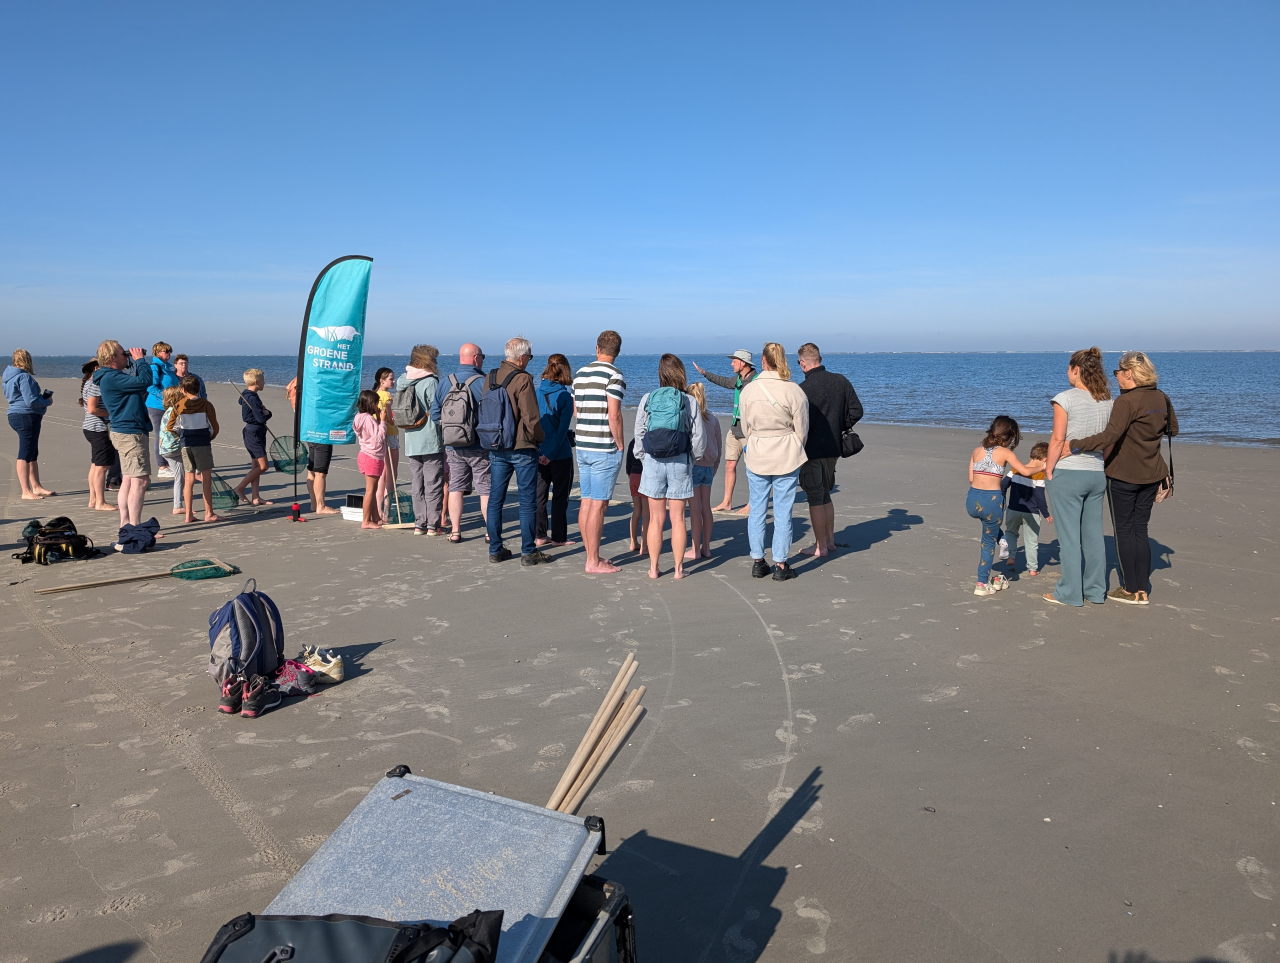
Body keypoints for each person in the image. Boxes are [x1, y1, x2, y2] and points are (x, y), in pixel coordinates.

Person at [1067, 350, 1179, 605]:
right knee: (1140, 529)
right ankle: (1142, 588)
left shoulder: (1126, 401)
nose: (1115, 377)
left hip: (1124, 474)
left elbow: (1109, 437)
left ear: (1129, 373)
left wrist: (1074, 443)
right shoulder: (1161, 397)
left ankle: (1131, 589)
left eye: (1118, 372)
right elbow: (1173, 429)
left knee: (1125, 531)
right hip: (1151, 473)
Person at [1043, 347, 1114, 606]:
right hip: (1096, 472)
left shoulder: (1065, 398)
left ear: (1076, 369)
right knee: (1093, 535)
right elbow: (1108, 441)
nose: (1067, 373)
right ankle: (1095, 591)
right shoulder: (1107, 399)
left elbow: (1058, 438)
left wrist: (1049, 468)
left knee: (1069, 537)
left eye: (1068, 368)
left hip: (1069, 472)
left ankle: (1070, 592)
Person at [739, 343, 809, 581]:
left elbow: (745, 426)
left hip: (758, 450)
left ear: (763, 361)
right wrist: (794, 445)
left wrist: (754, 442)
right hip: (785, 452)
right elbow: (802, 428)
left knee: (757, 509)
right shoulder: (793, 390)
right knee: (782, 511)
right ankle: (780, 562)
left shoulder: (749, 390)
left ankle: (758, 560)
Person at [634, 354, 706, 579]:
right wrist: (693, 458)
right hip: (680, 461)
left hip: (654, 461)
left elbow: (639, 432)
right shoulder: (689, 400)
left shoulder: (647, 398)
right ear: (681, 373)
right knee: (677, 519)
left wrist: (643, 456)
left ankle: (654, 568)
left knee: (656, 519)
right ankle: (678, 569)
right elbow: (698, 436)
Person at [484, 337, 548, 565]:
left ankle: (495, 548)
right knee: (527, 500)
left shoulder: (490, 377)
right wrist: (539, 439)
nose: (529, 361)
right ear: (521, 358)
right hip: (522, 446)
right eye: (529, 357)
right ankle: (528, 551)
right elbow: (531, 417)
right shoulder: (522, 379)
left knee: (495, 499)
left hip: (496, 443)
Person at [796, 342, 863, 557]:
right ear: (820, 360)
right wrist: (839, 425)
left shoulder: (803, 389)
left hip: (812, 449)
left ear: (803, 363)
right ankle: (829, 541)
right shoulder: (840, 381)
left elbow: (797, 421)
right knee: (825, 494)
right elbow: (856, 410)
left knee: (816, 496)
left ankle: (820, 545)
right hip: (833, 447)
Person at [967, 416, 1044, 597]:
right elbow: (1024, 471)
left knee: (988, 526)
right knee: (987, 543)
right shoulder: (1005, 453)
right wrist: (1041, 466)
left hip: (972, 500)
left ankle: (1001, 539)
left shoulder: (976, 450)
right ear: (1010, 437)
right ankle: (982, 583)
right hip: (991, 500)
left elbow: (971, 478)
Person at [573, 330, 626, 574]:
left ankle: (591, 554)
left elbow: (577, 411)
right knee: (598, 504)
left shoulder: (581, 373)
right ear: (617, 351)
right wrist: (620, 443)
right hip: (603, 446)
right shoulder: (614, 375)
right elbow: (613, 414)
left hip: (583, 444)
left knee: (587, 501)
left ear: (597, 348)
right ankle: (592, 561)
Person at [432, 343, 489, 542]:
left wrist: (451, 428)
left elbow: (434, 414)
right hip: (478, 444)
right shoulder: (482, 382)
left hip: (453, 444)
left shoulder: (445, 382)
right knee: (485, 488)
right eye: (482, 355)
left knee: (456, 486)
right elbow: (491, 413)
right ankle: (490, 531)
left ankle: (456, 530)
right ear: (475, 357)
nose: (483, 359)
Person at [92, 340, 153, 527]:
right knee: (140, 481)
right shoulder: (112, 378)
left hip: (125, 430)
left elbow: (139, 385)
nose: (126, 356)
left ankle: (126, 524)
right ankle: (134, 527)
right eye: (122, 354)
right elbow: (145, 381)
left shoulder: (113, 377)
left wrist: (134, 362)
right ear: (111, 358)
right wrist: (140, 360)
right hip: (130, 433)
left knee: (128, 479)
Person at [693, 348, 757, 514]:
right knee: (729, 465)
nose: (731, 363)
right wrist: (704, 373)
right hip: (734, 429)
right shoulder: (737, 379)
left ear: (743, 363)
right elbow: (723, 381)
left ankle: (752, 504)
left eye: (734, 361)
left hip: (749, 431)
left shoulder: (757, 381)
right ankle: (727, 502)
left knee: (752, 470)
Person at [397, 344, 445, 536]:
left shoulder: (403, 380)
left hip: (411, 437)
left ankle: (419, 523)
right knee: (433, 482)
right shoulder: (430, 381)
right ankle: (433, 524)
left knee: (417, 483)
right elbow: (436, 409)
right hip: (430, 437)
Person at [166, 374, 222, 524]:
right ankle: (209, 513)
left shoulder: (179, 405)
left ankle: (188, 514)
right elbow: (215, 426)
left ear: (183, 390)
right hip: (202, 442)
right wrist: (210, 436)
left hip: (186, 443)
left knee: (189, 479)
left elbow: (170, 426)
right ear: (198, 388)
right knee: (206, 479)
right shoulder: (206, 404)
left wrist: (180, 435)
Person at [535, 353, 575, 547]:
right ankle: (558, 536)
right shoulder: (564, 396)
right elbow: (562, 431)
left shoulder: (536, 392)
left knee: (539, 497)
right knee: (559, 497)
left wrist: (542, 451)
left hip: (539, 451)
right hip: (559, 454)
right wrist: (550, 453)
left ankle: (540, 534)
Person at [4, 349, 55, 499]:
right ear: (27, 360)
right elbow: (31, 401)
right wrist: (46, 401)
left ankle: (36, 486)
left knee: (32, 452)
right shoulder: (24, 377)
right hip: (25, 415)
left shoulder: (8, 377)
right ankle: (26, 491)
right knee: (25, 452)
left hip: (16, 414)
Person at [1002, 441, 1051, 576]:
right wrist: (1046, 514)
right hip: (1032, 512)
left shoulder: (1015, 470)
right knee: (1031, 541)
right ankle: (1032, 569)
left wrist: (1002, 498)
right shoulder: (1039, 475)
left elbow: (1003, 485)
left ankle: (1011, 557)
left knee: (1011, 533)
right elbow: (1040, 497)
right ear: (1045, 460)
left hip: (1013, 509)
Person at [685, 382, 721, 561]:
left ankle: (695, 548)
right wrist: (715, 466)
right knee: (705, 507)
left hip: (695, 465)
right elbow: (719, 446)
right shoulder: (712, 418)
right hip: (708, 465)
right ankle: (706, 546)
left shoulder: (691, 418)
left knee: (695, 509)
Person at [79, 360, 118, 511]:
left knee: (96, 465)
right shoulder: (95, 383)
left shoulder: (89, 382)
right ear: (96, 368)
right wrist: (111, 413)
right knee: (102, 466)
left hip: (91, 428)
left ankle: (93, 499)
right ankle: (100, 502)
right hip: (97, 428)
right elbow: (92, 409)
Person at [233, 368, 272, 505]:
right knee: (263, 466)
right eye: (262, 380)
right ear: (256, 382)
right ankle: (240, 488)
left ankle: (256, 497)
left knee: (256, 466)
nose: (264, 382)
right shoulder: (251, 397)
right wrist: (267, 413)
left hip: (255, 432)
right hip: (253, 432)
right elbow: (261, 418)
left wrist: (264, 412)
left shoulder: (246, 394)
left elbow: (242, 403)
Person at [353, 389, 386, 529]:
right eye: (376, 403)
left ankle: (376, 517)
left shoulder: (359, 417)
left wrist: (378, 419)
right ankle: (366, 521)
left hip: (365, 454)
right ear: (370, 403)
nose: (377, 405)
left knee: (371, 489)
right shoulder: (367, 418)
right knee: (370, 490)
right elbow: (378, 439)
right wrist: (383, 422)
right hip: (372, 456)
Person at [145, 341, 179, 478]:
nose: (169, 354)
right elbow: (151, 387)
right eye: (166, 351)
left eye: (170, 351)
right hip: (157, 406)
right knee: (160, 435)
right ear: (158, 352)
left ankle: (170, 462)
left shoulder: (167, 367)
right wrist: (165, 398)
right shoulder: (155, 367)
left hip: (170, 406)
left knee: (171, 433)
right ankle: (162, 466)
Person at [373, 367, 400, 518]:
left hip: (379, 435)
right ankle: (387, 508)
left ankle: (379, 508)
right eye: (391, 379)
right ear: (381, 381)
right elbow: (390, 418)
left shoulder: (374, 395)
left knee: (382, 473)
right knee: (391, 473)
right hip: (389, 434)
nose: (393, 381)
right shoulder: (386, 395)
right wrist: (397, 419)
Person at [158, 385, 187, 516]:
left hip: (165, 448)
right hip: (173, 448)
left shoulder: (168, 411)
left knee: (180, 476)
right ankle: (178, 505)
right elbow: (177, 429)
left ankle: (181, 502)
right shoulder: (175, 412)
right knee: (180, 476)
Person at [624, 439, 647, 555]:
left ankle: (633, 541)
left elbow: (628, 462)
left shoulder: (633, 441)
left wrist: (630, 474)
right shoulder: (650, 439)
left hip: (633, 474)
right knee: (646, 512)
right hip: (644, 475)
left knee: (637, 509)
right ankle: (644, 544)